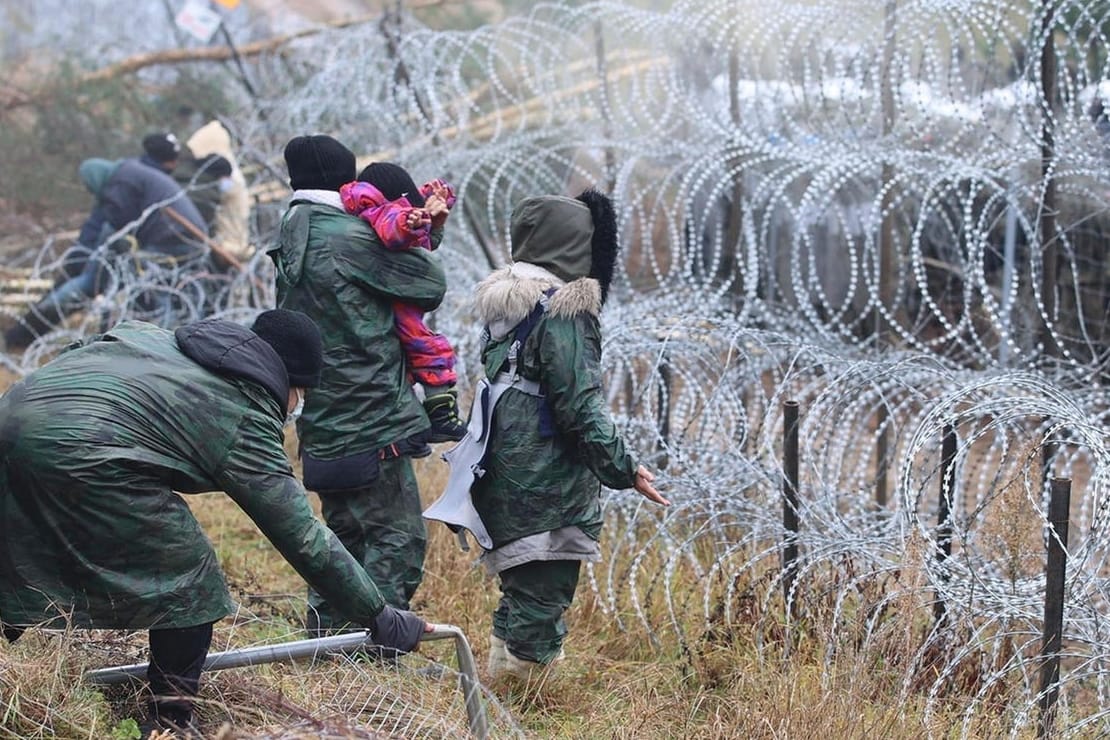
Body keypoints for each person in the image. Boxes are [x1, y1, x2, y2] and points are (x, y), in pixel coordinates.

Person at [0, 309, 428, 734]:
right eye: (302, 395)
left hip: (13, 416)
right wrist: (379, 615)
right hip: (83, 452)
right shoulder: (244, 411)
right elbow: (303, 537)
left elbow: (83, 348)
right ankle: (170, 722)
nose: (296, 407)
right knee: (190, 579)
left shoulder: (153, 336)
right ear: (290, 383)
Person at [460, 189, 669, 681]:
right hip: (544, 480)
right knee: (543, 590)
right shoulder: (563, 310)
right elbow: (579, 405)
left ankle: (497, 689)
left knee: (521, 588)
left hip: (501, 467)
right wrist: (623, 467)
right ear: (576, 244)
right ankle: (531, 704)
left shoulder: (505, 306)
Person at [267, 135, 447, 630]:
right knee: (396, 540)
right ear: (348, 182)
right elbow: (428, 283)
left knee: (341, 538)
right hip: (373, 418)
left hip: (322, 418)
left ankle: (326, 643)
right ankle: (375, 651)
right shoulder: (347, 236)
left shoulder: (291, 230)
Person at [3, 156, 208, 349]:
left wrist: (98, 270)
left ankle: (150, 342)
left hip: (172, 239)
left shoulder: (119, 183)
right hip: (185, 238)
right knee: (148, 287)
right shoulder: (129, 172)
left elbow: (119, 225)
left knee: (143, 289)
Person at [339, 162, 466, 442]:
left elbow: (412, 230)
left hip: (392, 297)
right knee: (428, 350)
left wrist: (439, 197)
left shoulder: (374, 204)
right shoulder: (387, 213)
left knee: (416, 355)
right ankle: (441, 417)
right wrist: (412, 222)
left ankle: (430, 413)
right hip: (398, 304)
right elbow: (394, 228)